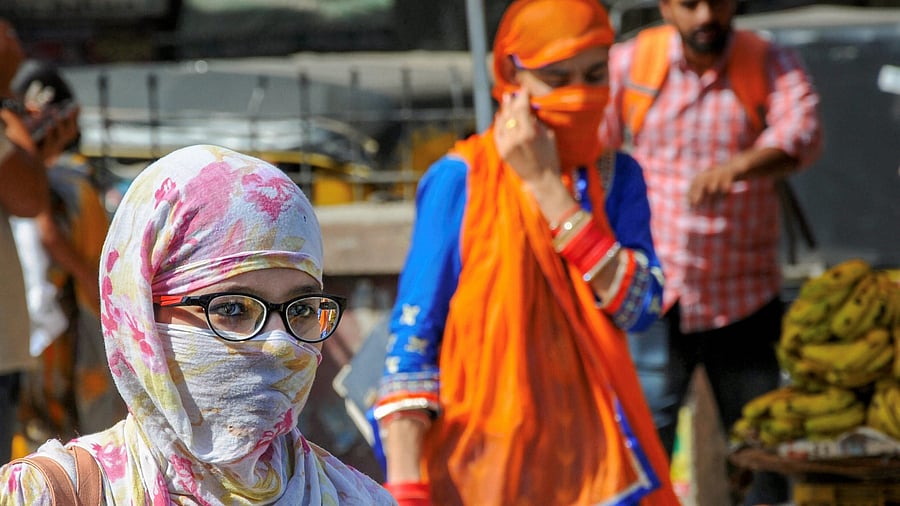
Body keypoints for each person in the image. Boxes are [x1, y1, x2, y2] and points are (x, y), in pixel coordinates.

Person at [373, 1, 677, 504]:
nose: (579, 94)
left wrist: (545, 187)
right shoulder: (461, 180)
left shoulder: (616, 177)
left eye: (594, 75)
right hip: (478, 468)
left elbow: (640, 307)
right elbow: (414, 335)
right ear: (513, 76)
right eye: (557, 79)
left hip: (595, 468)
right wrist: (406, 486)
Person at [0, 144, 395, 504]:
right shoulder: (49, 495)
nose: (280, 344)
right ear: (141, 317)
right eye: (234, 309)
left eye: (301, 310)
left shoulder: (358, 498)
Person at [600, 0, 822, 504]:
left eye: (717, 2)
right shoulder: (632, 63)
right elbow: (590, 143)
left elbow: (802, 132)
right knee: (642, 450)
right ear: (665, 8)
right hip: (656, 298)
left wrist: (738, 167)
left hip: (742, 298)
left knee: (760, 451)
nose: (705, 16)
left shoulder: (767, 60)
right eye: (689, 4)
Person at [10, 59, 126, 447]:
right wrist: (92, 283)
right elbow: (48, 232)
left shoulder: (49, 176)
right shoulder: (64, 181)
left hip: (52, 317)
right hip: (61, 316)